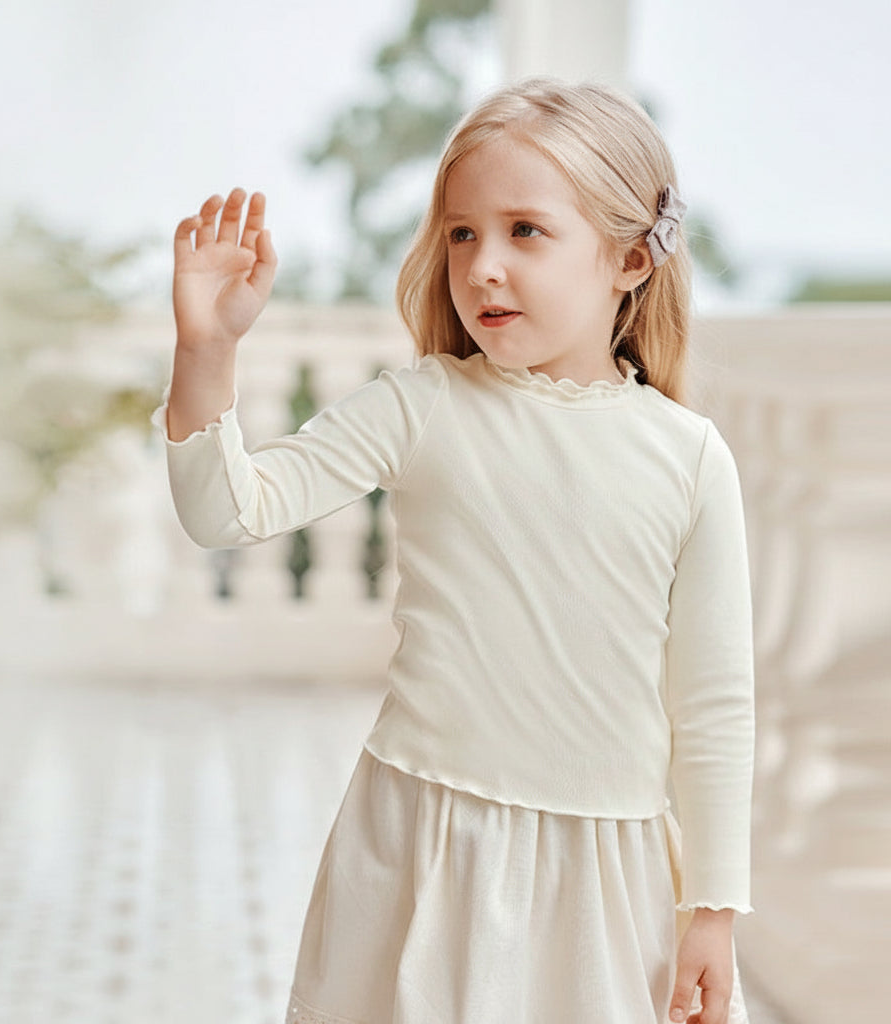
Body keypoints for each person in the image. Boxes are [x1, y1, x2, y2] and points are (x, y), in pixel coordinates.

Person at [151, 77, 755, 1024]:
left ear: (632, 258)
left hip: (606, 876)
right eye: (463, 233)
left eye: (525, 231)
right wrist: (206, 352)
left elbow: (716, 706)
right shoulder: (422, 404)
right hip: (420, 848)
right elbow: (228, 513)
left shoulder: (689, 459)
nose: (480, 267)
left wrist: (712, 912)